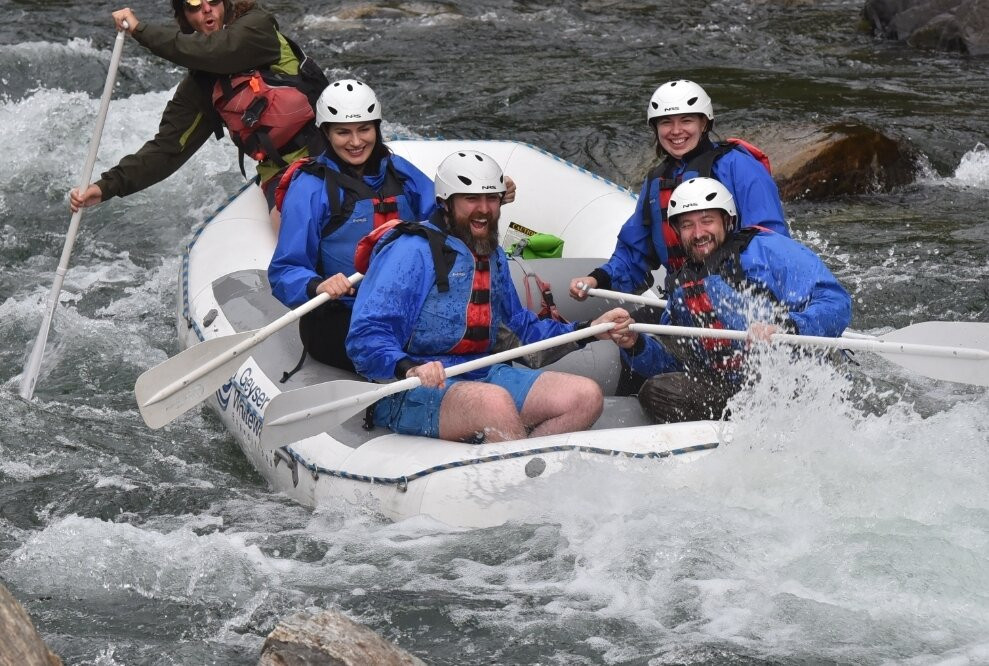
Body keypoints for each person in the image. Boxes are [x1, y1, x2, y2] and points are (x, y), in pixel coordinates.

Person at [346, 150, 612, 443]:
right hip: (409, 389)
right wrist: (408, 367)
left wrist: (590, 330)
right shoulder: (411, 250)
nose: (484, 209)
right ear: (445, 204)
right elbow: (366, 336)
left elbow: (518, 329)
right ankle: (515, 467)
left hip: (483, 375)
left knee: (585, 397)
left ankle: (518, 461)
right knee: (494, 404)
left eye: (491, 199)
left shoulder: (493, 254)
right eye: (471, 199)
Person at [600, 177, 851, 424]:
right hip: (737, 393)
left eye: (707, 221)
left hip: (798, 380)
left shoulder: (768, 250)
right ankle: (737, 434)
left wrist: (787, 328)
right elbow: (678, 364)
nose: (698, 233)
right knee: (656, 391)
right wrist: (636, 345)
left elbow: (836, 302)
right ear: (676, 231)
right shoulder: (681, 288)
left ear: (727, 221)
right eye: (687, 225)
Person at [69, 0, 327, 219]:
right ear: (184, 15)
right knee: (295, 233)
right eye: (193, 3)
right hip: (281, 171)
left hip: (330, 151)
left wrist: (141, 30)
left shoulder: (256, 27)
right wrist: (105, 187)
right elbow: (167, 149)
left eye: (213, 0)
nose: (206, 9)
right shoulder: (201, 86)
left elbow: (219, 52)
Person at [267, 79, 436, 373]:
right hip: (340, 316)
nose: (356, 142)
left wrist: (482, 200)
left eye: (365, 129)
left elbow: (444, 219)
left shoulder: (402, 173)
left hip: (406, 308)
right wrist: (317, 284)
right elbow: (284, 270)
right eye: (343, 132)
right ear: (326, 133)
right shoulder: (310, 186)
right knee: (409, 344)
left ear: (377, 128)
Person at [569, 79, 789, 300]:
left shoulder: (739, 167)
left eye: (686, 120)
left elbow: (771, 242)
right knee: (610, 331)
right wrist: (598, 279)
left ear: (704, 123)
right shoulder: (656, 181)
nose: (676, 131)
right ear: (656, 128)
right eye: (666, 122)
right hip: (684, 301)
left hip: (741, 296)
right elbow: (634, 254)